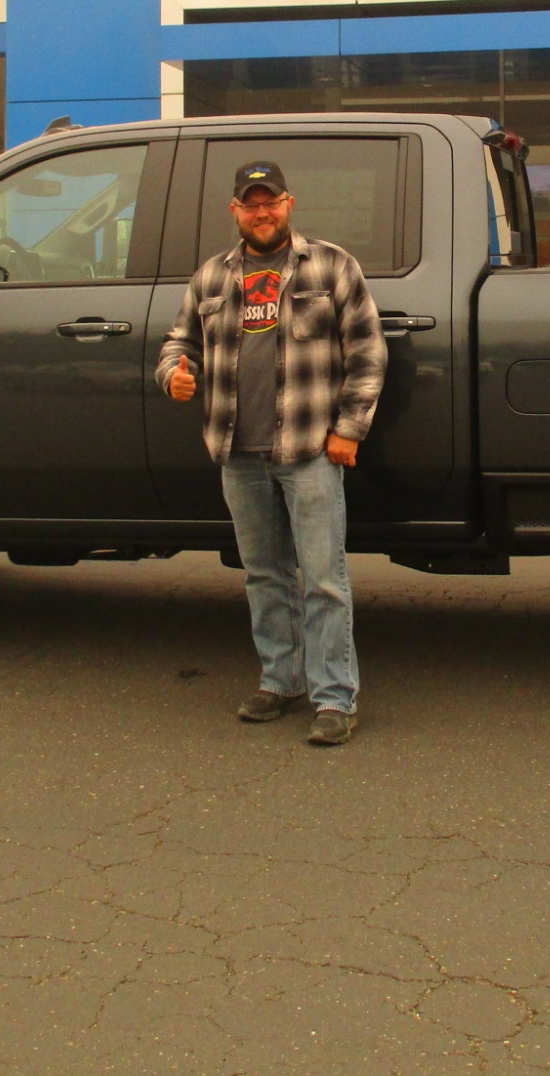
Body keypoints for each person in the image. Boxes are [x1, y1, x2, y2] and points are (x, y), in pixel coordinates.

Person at [156, 161, 386, 746]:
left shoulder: (331, 265)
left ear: (289, 203)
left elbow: (367, 351)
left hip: (309, 448)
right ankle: (280, 680)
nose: (262, 212)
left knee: (324, 579)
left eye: (271, 201)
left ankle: (334, 697)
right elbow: (179, 343)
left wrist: (350, 429)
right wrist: (173, 374)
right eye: (251, 204)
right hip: (238, 450)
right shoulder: (211, 276)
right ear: (236, 211)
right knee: (264, 575)